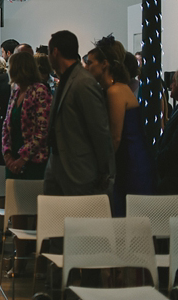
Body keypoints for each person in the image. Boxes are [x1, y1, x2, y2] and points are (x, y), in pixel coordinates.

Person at [85, 35, 154, 216]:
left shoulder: (115, 91)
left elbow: (115, 137)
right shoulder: (119, 88)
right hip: (131, 161)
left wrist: (103, 171)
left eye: (90, 62)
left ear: (104, 64)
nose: (86, 67)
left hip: (131, 164)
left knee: (129, 218)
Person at [44, 30, 115, 197]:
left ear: (55, 52)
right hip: (58, 163)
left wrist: (105, 171)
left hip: (78, 169)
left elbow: (99, 130)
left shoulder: (83, 83)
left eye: (49, 52)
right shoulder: (67, 79)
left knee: (78, 219)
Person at [2, 52, 52, 180]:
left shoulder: (40, 91)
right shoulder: (16, 92)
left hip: (33, 163)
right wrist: (7, 155)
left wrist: (22, 159)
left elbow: (43, 130)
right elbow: (6, 126)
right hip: (12, 161)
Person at [157, 70, 178, 194]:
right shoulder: (175, 109)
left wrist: (159, 159)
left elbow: (174, 146)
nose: (171, 86)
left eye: (173, 82)